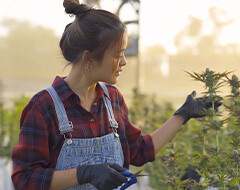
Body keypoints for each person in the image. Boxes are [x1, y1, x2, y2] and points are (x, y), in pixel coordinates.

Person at [11, 0, 222, 190]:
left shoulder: (112, 99)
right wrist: (83, 173)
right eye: (117, 54)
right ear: (89, 59)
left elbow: (138, 151)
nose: (124, 62)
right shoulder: (44, 106)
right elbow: (25, 179)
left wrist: (182, 115)